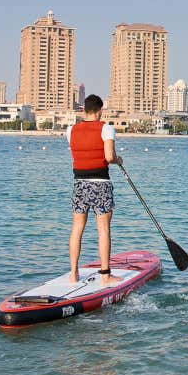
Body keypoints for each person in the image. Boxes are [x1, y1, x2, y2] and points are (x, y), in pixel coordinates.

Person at [65, 94, 123, 285]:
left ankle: (73, 273)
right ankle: (105, 275)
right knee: (103, 229)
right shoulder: (106, 128)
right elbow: (108, 157)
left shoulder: (71, 130)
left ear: (84, 110)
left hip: (79, 184)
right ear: (100, 111)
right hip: (100, 184)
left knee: (77, 228)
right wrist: (118, 159)